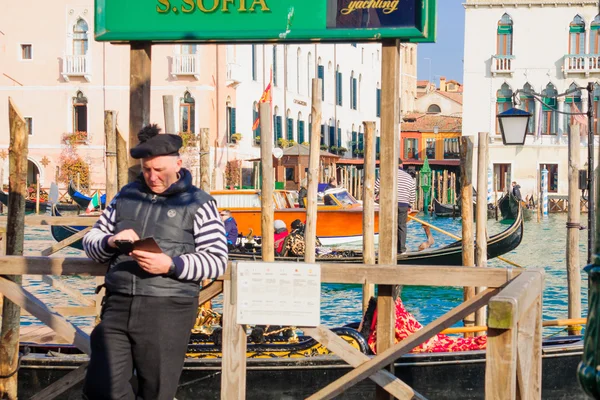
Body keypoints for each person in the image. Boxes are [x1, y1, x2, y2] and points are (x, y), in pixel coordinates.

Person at [81, 124, 228, 400]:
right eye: (146, 170)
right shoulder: (125, 196)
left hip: (169, 309)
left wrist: (170, 265)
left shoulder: (200, 203)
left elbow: (217, 260)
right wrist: (111, 241)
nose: (152, 177)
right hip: (118, 303)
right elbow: (92, 241)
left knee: (157, 393)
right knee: (102, 387)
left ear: (179, 164)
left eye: (159, 170)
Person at [374, 160, 416, 255]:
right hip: (403, 205)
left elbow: (375, 188)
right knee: (401, 226)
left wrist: (379, 197)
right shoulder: (409, 177)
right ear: (401, 165)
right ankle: (401, 250)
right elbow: (412, 193)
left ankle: (386, 249)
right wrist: (410, 205)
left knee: (387, 226)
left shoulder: (385, 174)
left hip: (389, 204)